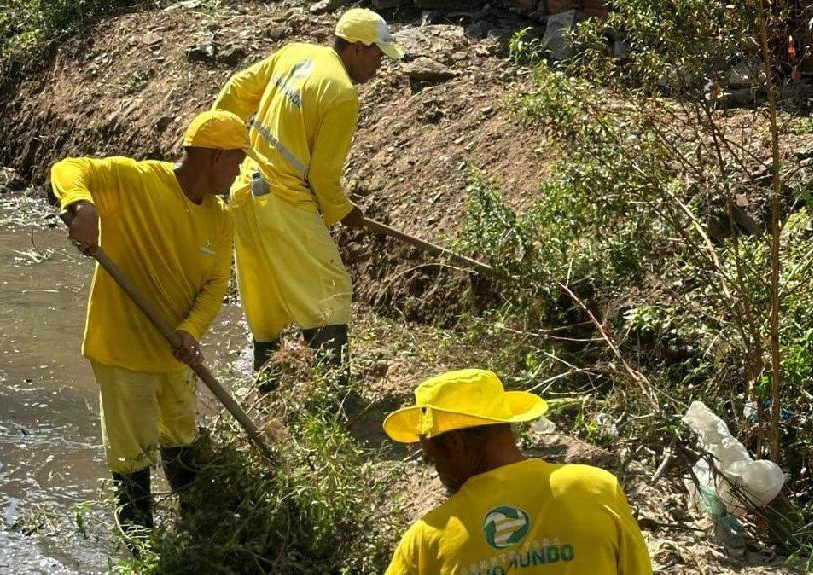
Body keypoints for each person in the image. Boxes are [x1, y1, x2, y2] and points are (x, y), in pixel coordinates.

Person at [50, 110, 249, 534]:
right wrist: (81, 206)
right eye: (238, 161)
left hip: (176, 354)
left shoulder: (221, 218)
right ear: (217, 157)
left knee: (182, 439)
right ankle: (142, 546)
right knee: (133, 458)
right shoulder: (137, 182)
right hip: (122, 353)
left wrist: (191, 331)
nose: (239, 173)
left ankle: (195, 529)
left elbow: (215, 286)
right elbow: (69, 168)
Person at [211, 8, 403, 393]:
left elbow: (235, 90)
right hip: (283, 200)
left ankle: (268, 389)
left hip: (244, 190)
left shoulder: (295, 53)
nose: (380, 64)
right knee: (330, 288)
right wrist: (345, 212)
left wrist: (218, 148)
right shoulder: (342, 94)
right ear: (356, 48)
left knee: (264, 295)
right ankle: (333, 395)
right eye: (378, 54)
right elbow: (322, 177)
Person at [381, 369, 654, 575]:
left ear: (455, 443)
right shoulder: (596, 489)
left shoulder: (425, 542)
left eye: (435, 460)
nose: (439, 474)